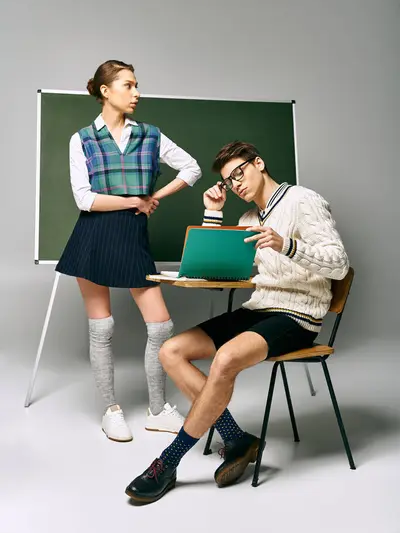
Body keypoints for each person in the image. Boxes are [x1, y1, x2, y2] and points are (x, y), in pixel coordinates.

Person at [125, 140, 349, 502]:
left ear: (258, 163)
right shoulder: (247, 219)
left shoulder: (303, 200)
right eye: (229, 181)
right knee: (171, 351)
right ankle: (236, 438)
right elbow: (214, 273)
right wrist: (213, 213)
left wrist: (286, 245)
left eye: (239, 173)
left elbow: (338, 263)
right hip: (259, 308)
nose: (236, 184)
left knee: (226, 358)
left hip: (299, 314)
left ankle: (168, 462)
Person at [56, 60, 202, 442]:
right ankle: (111, 410)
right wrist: (134, 202)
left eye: (137, 85)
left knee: (162, 327)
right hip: (92, 239)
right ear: (105, 90)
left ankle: (157, 410)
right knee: (102, 328)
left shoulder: (151, 135)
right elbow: (84, 199)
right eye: (128, 85)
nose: (137, 92)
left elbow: (191, 169)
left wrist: (153, 197)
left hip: (133, 240)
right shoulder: (82, 138)